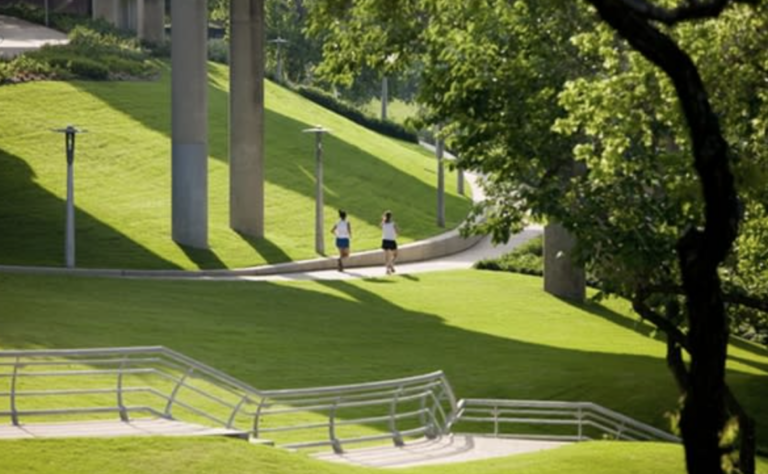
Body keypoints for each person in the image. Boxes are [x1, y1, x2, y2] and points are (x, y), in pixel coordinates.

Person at [381, 210, 399, 275]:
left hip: (385, 240)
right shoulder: (393, 223)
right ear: (391, 217)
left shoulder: (383, 223)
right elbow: (397, 231)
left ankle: (387, 269)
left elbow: (382, 224)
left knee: (387, 256)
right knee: (395, 254)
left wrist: (383, 218)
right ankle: (391, 264)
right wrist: (396, 234)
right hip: (391, 240)